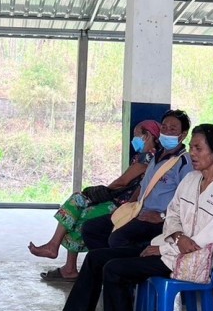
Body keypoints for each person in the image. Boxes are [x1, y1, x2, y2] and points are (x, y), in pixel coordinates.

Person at [36, 124, 213, 311]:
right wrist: (174, 236)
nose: (193, 154)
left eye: (198, 149)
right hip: (169, 248)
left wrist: (167, 247)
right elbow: (172, 214)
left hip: (191, 262)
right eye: (191, 148)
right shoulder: (190, 180)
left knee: (115, 270)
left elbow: (204, 241)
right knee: (96, 258)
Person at [29, 120, 160, 280]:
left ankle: (57, 252)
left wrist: (104, 192)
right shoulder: (145, 156)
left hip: (123, 206)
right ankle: (62, 259)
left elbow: (123, 182)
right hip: (120, 201)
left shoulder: (148, 157)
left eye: (136, 136)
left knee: (80, 211)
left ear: (147, 136)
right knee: (78, 203)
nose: (134, 140)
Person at [80, 110, 194, 252]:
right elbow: (143, 186)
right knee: (91, 228)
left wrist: (162, 216)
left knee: (118, 239)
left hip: (157, 219)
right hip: (138, 211)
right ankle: (105, 268)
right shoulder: (156, 156)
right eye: (164, 127)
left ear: (182, 135)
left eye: (172, 129)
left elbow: (187, 200)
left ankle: (124, 270)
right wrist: (129, 205)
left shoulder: (184, 163)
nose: (166, 132)